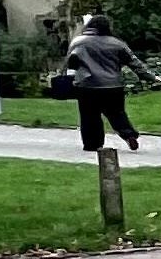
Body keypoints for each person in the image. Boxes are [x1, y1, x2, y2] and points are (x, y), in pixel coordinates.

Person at [61, 14, 153, 154]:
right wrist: (151, 77)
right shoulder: (116, 43)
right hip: (113, 85)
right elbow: (135, 63)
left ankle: (93, 144)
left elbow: (71, 62)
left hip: (87, 85)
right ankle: (129, 135)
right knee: (117, 113)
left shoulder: (78, 42)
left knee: (89, 116)